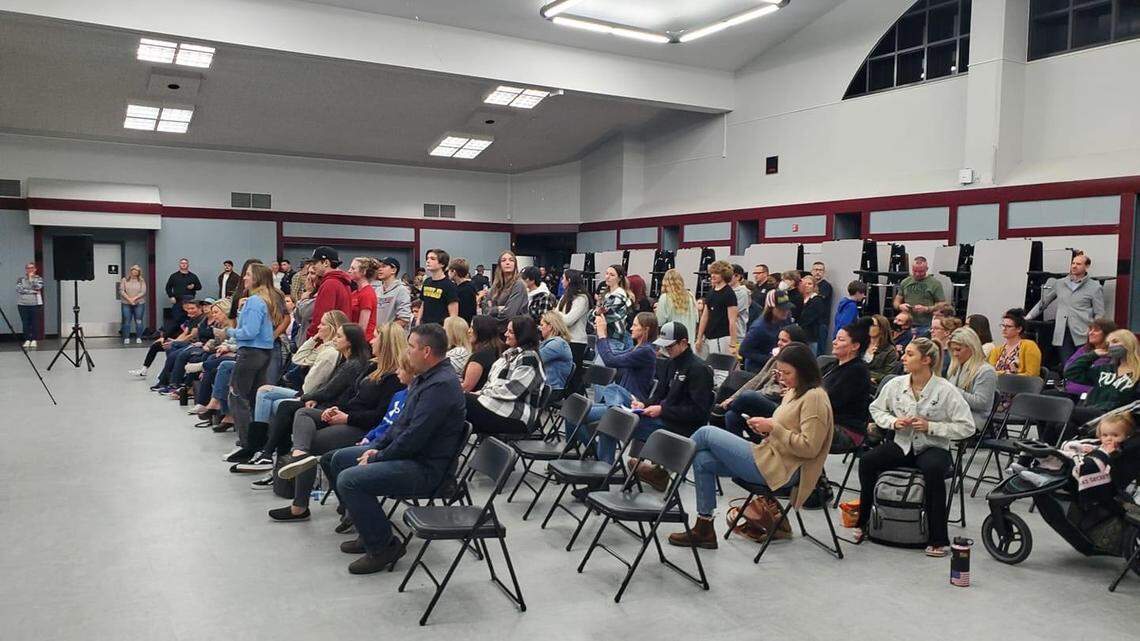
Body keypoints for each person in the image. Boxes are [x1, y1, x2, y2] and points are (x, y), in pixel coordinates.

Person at [322, 323, 466, 574]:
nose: (407, 352)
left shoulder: (440, 386)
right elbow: (400, 425)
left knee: (349, 480)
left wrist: (378, 456)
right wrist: (375, 446)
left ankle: (383, 547)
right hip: (409, 456)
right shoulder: (426, 378)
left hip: (426, 469)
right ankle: (366, 526)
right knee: (333, 460)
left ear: (426, 351)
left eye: (411, 347)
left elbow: (414, 438)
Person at [667, 343, 833, 549]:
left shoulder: (814, 397)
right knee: (702, 461)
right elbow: (785, 428)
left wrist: (773, 428)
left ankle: (666, 467)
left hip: (783, 470)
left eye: (787, 373)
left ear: (804, 370)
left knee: (706, 433)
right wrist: (766, 428)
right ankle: (704, 527)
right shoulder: (794, 391)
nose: (782, 378)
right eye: (779, 372)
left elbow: (810, 448)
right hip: (769, 456)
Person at [858, 338, 975, 556]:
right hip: (902, 443)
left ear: (926, 360)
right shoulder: (896, 384)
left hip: (933, 447)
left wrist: (932, 427)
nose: (903, 357)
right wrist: (893, 422)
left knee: (932, 471)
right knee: (867, 461)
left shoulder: (946, 390)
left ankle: (938, 538)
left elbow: (967, 427)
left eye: (910, 354)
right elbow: (876, 409)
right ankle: (863, 522)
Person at [271, 323, 407, 499]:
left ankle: (299, 502)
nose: (371, 341)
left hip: (361, 426)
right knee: (302, 414)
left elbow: (380, 416)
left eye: (375, 337)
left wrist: (347, 418)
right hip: (347, 415)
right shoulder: (372, 366)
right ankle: (299, 455)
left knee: (308, 440)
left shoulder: (394, 378)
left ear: (386, 343)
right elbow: (350, 394)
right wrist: (335, 409)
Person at [628, 322, 716, 488]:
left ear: (683, 343)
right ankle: (656, 472)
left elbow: (699, 412)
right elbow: (659, 394)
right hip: (666, 418)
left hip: (683, 427)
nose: (666, 350)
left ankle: (655, 472)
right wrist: (643, 404)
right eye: (664, 346)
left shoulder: (699, 369)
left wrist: (662, 410)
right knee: (622, 411)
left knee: (624, 422)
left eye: (670, 346)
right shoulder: (670, 363)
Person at [218, 263, 285, 463]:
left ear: (256, 278)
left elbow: (249, 332)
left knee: (237, 397)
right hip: (263, 353)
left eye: (247, 275)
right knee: (256, 399)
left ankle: (246, 444)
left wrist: (228, 332)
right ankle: (258, 444)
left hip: (250, 353)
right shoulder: (266, 300)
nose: (244, 278)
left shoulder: (256, 301)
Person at [721, 325, 808, 439]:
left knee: (748, 396)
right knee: (731, 416)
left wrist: (777, 384)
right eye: (779, 339)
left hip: (780, 406)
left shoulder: (800, 365)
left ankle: (723, 409)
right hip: (764, 397)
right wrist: (734, 397)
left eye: (784, 340)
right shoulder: (776, 357)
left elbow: (784, 393)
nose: (779, 343)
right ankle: (744, 446)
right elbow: (758, 378)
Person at [465, 315, 545, 435]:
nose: (505, 334)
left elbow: (513, 391)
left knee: (460, 402)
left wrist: (481, 393)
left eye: (511, 332)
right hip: (498, 406)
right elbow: (491, 383)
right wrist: (479, 394)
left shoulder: (529, 358)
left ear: (522, 335)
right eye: (507, 330)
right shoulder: (507, 355)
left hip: (517, 416)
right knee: (456, 412)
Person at [1061, 329, 1140, 443]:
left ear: (1128, 343)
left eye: (1115, 341)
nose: (1111, 346)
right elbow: (1071, 373)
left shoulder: (1137, 373)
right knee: (1061, 425)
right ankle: (1049, 455)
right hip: (1092, 412)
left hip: (1116, 416)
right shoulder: (1105, 369)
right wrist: (1094, 355)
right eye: (1109, 344)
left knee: (1064, 411)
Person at [1026, 251, 1105, 365]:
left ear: (1086, 266)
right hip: (1063, 331)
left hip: (1084, 331)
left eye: (1078, 264)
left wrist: (1095, 331)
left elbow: (1099, 313)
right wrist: (1028, 316)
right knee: (1067, 364)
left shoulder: (1094, 287)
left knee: (1082, 363)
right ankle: (1068, 382)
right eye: (1073, 263)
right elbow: (1043, 303)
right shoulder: (1060, 283)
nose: (1074, 266)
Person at [824, 320, 873, 450]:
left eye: (840, 340)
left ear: (855, 346)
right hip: (825, 420)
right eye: (836, 338)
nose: (834, 342)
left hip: (847, 430)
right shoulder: (832, 365)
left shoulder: (857, 372)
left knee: (792, 428)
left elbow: (831, 402)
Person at [946, 327, 998, 435]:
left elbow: (981, 403)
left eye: (958, 349)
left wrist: (952, 390)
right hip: (952, 413)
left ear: (972, 347)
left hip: (972, 419)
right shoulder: (956, 366)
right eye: (953, 350)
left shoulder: (986, 371)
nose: (955, 354)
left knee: (928, 427)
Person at [1061, 318, 1117, 398]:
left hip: (1090, 397)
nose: (1091, 333)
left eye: (1096, 330)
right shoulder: (1084, 350)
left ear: (1108, 334)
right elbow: (1067, 369)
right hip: (1069, 392)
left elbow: (1097, 377)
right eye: (1090, 329)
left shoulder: (1112, 354)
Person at [739, 290, 794, 371]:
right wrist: (769, 359)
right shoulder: (759, 328)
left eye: (787, 308)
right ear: (771, 308)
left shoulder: (786, 320)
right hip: (758, 369)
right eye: (781, 309)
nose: (786, 311)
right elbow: (743, 350)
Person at [306, 246, 353, 339]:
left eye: (315, 262)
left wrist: (311, 338)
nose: (313, 266)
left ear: (326, 263)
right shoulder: (343, 282)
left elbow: (321, 317)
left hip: (328, 339)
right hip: (339, 337)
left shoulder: (329, 284)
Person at [556, 268, 591, 389]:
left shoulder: (582, 299)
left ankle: (577, 401)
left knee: (574, 376)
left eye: (563, 278)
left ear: (569, 280)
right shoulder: (564, 297)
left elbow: (568, 321)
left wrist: (557, 316)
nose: (561, 281)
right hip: (564, 340)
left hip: (576, 342)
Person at [695, 260, 737, 359]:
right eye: (712, 273)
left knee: (719, 369)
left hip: (721, 337)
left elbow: (732, 320)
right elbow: (705, 316)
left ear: (724, 275)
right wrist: (699, 337)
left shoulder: (729, 294)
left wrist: (733, 344)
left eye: (716, 273)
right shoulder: (711, 292)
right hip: (708, 337)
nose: (712, 276)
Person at [893, 256, 945, 329]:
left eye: (921, 271)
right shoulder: (905, 282)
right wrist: (900, 306)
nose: (917, 274)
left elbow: (942, 306)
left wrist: (926, 309)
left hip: (926, 324)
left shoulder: (935, 284)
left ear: (927, 269)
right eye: (915, 271)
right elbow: (896, 302)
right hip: (907, 324)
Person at [989, 308, 1042, 377]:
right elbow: (990, 373)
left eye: (1008, 326)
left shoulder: (1029, 346)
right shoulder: (996, 350)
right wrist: (1006, 373)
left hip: (1020, 385)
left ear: (1019, 329)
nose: (1004, 329)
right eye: (1003, 325)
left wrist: (1005, 375)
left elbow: (1032, 375)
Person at [462, 315, 505, 392]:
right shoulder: (495, 350)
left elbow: (466, 387)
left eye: (472, 327)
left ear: (482, 330)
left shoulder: (480, 356)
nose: (469, 331)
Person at [655, 268, 699, 342]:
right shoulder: (691, 296)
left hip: (671, 340)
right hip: (689, 339)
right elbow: (697, 318)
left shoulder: (665, 297)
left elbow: (659, 321)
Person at [480, 251, 528, 319]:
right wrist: (498, 309)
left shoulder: (518, 285)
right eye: (503, 260)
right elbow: (484, 310)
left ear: (515, 265)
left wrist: (492, 309)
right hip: (495, 326)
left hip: (514, 327)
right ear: (499, 265)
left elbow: (509, 314)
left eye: (511, 260)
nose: (507, 263)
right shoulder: (495, 286)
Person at [596, 264, 634, 350]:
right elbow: (595, 317)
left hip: (614, 338)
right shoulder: (607, 294)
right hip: (606, 336)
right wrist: (597, 315)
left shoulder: (619, 295)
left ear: (620, 278)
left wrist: (596, 315)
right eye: (606, 273)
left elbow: (603, 318)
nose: (607, 277)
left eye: (612, 275)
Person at [418, 248, 458, 326]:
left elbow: (453, 315)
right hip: (425, 326)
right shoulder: (426, 282)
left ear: (442, 264)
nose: (428, 261)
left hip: (440, 328)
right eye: (427, 258)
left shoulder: (449, 285)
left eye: (432, 259)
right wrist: (418, 320)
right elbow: (423, 303)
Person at [538, 312, 573, 395]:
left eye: (542, 325)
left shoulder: (557, 344)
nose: (540, 328)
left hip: (550, 389)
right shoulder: (551, 342)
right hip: (544, 386)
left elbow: (535, 359)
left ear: (550, 327)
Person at [165, 258, 203, 332]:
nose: (184, 264)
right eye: (182, 263)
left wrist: (193, 287)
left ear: (188, 265)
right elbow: (168, 287)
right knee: (176, 319)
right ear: (179, 265)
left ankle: (189, 334)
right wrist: (171, 296)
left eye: (185, 263)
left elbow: (199, 287)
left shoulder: (193, 276)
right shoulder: (174, 276)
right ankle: (176, 335)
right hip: (178, 301)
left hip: (190, 301)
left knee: (190, 319)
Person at [373, 256, 412, 328]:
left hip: (392, 336)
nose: (380, 269)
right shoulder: (377, 290)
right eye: (379, 267)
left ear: (393, 270)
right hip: (377, 335)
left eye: (384, 266)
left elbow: (404, 319)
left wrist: (385, 331)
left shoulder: (402, 290)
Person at [865, 314, 901, 385]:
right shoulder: (860, 344)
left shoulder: (889, 350)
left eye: (872, 325)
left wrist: (868, 375)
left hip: (874, 386)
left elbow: (888, 376)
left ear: (881, 329)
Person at [348, 256, 379, 338]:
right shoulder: (355, 293)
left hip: (363, 341)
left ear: (364, 272)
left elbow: (362, 327)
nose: (349, 271)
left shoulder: (367, 294)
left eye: (353, 268)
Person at [797, 274, 828, 355]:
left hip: (811, 335)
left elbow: (808, 318)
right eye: (805, 283)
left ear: (814, 286)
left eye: (810, 284)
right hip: (800, 335)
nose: (807, 286)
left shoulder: (817, 300)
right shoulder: (799, 299)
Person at [117, 264, 147, 345]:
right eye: (133, 270)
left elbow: (143, 291)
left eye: (136, 271)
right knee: (127, 321)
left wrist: (134, 299)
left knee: (139, 321)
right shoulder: (124, 280)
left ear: (139, 272)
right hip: (126, 303)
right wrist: (129, 299)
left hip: (139, 303)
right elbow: (121, 290)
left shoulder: (141, 280)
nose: (134, 272)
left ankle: (139, 337)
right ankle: (126, 337)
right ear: (130, 271)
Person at [810, 262, 833, 353]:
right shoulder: (809, 285)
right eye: (816, 270)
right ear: (812, 271)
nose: (818, 272)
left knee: (819, 350)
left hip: (821, 323)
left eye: (820, 270)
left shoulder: (826, 286)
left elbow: (819, 300)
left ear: (824, 272)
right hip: (811, 324)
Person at [448, 257, 478, 323]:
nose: (448, 273)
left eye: (449, 270)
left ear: (454, 272)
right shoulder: (467, 286)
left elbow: (464, 312)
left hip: (463, 325)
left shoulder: (465, 289)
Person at [730, 265, 751, 344]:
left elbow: (734, 313)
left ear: (738, 277)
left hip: (737, 334)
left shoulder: (742, 293)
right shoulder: (727, 291)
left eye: (729, 275)